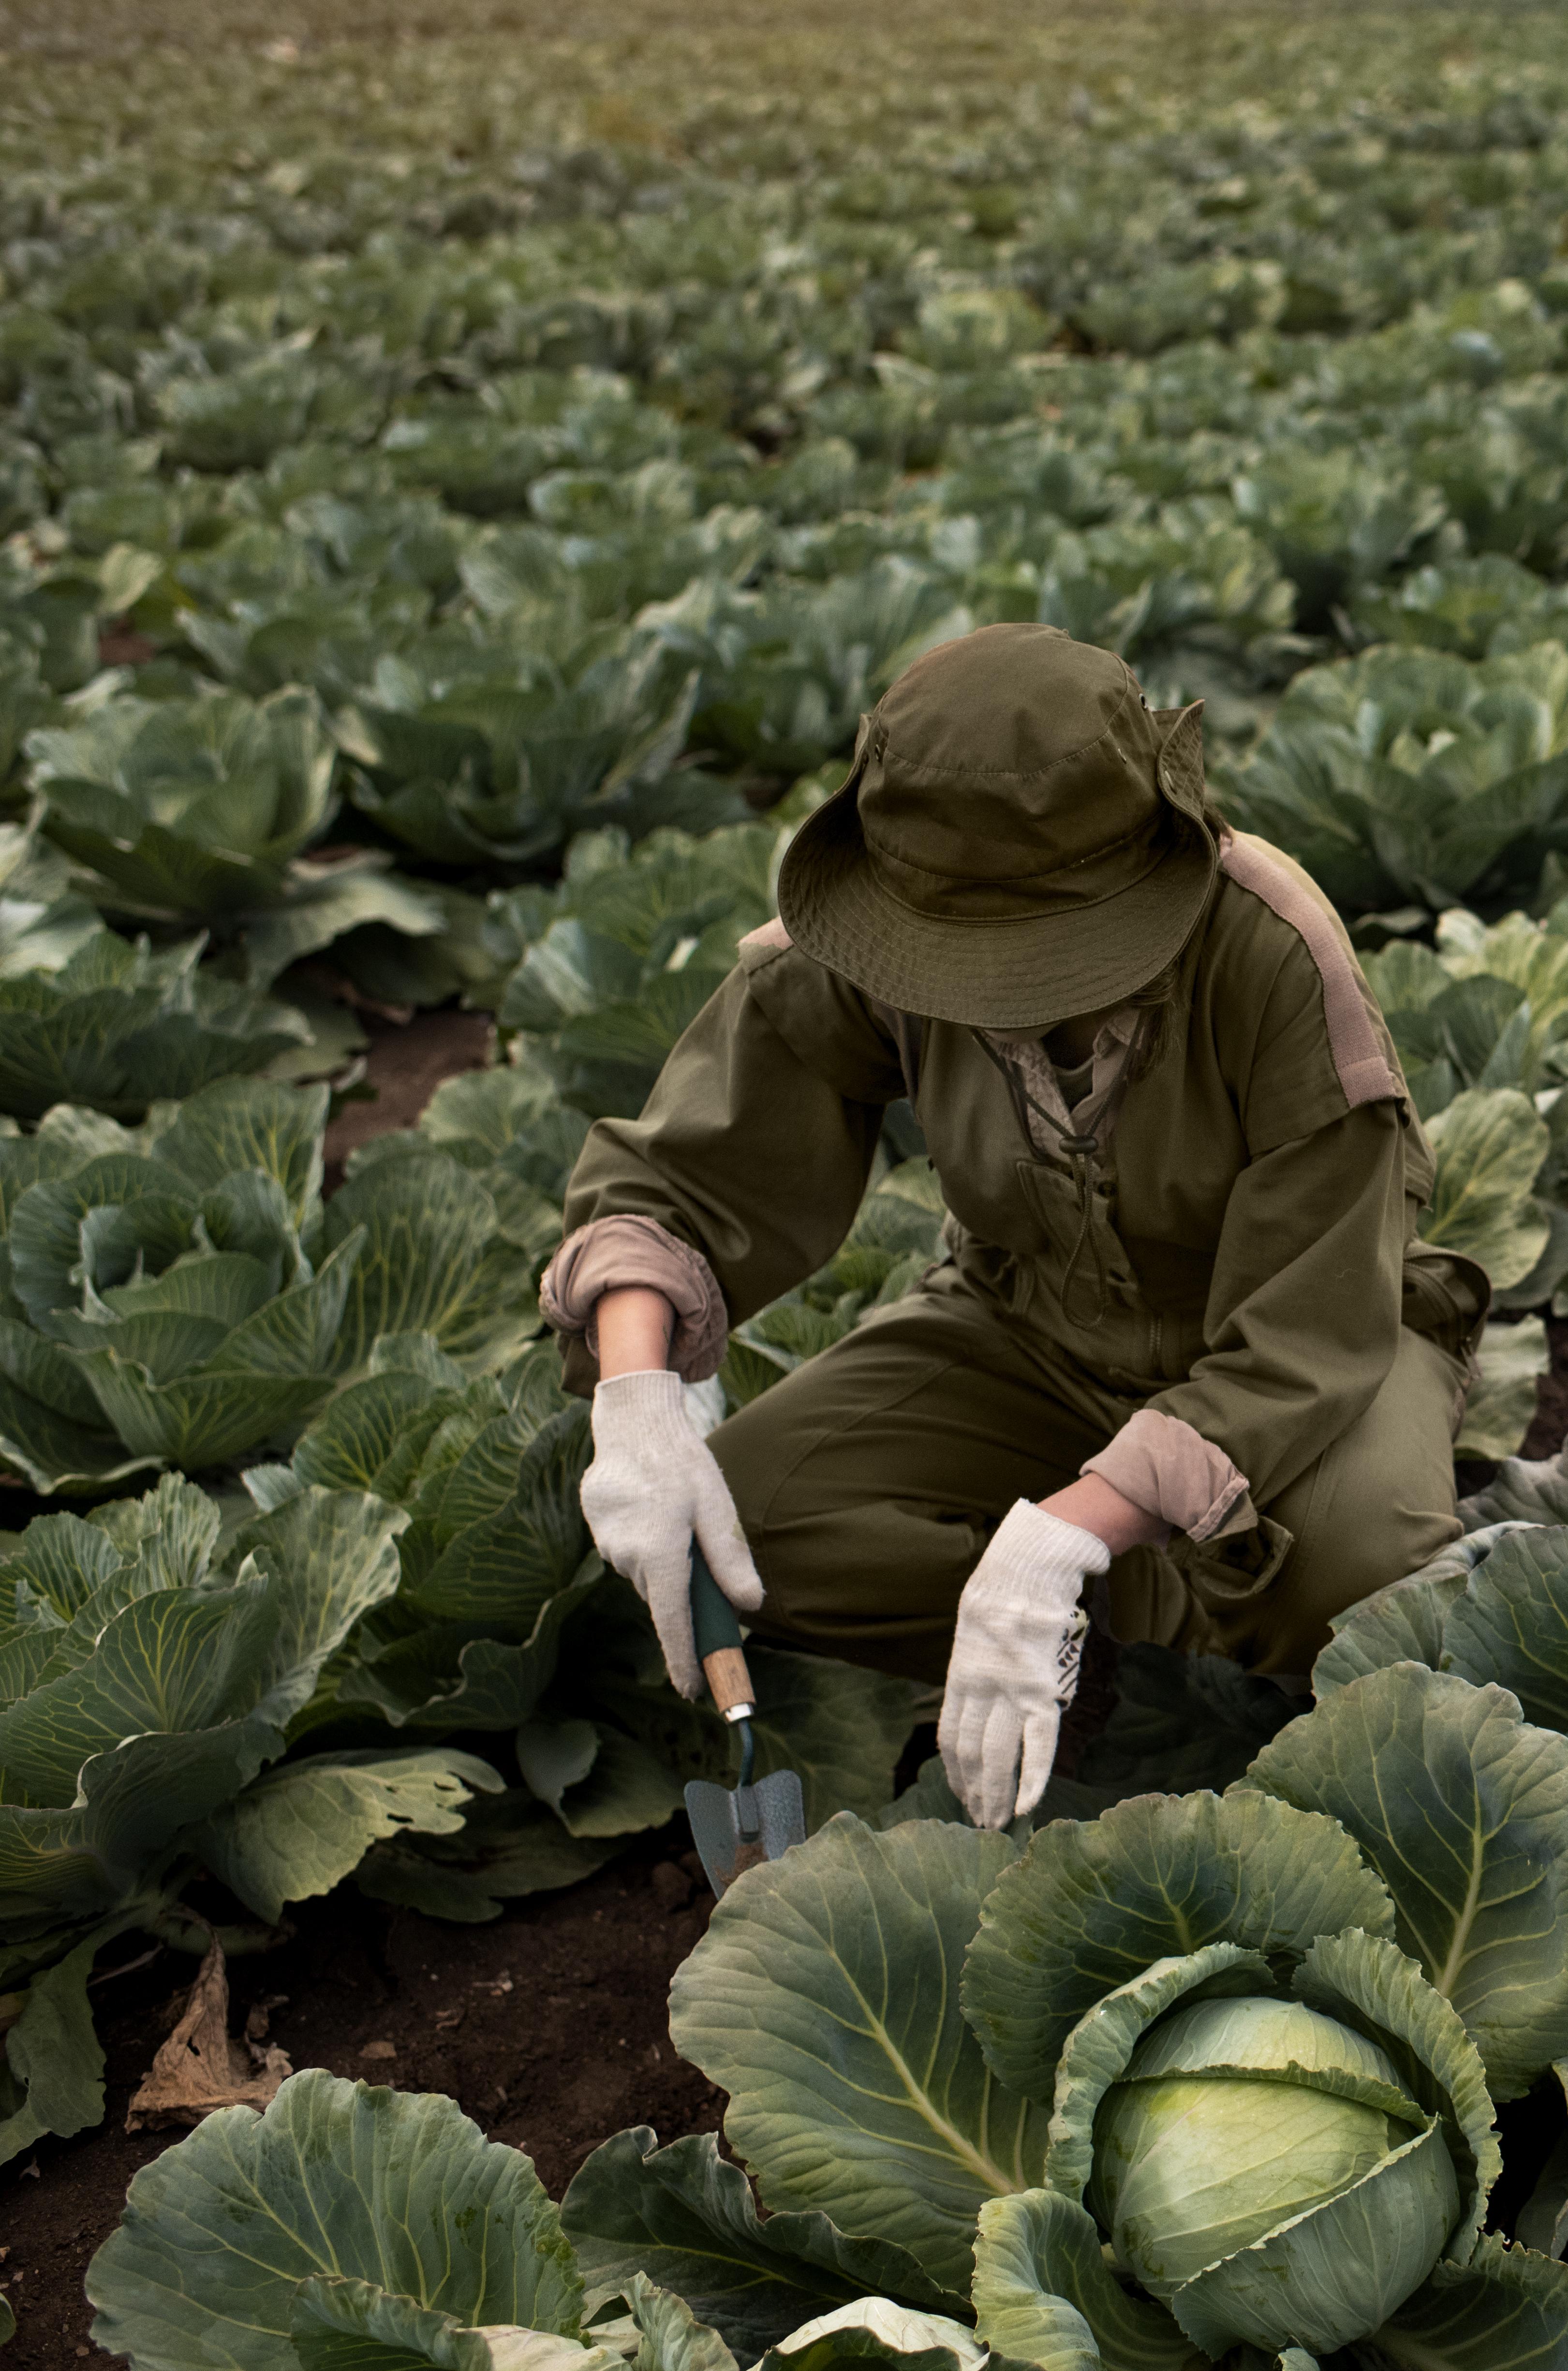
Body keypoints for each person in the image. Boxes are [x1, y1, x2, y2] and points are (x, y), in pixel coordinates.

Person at [541, 623, 1483, 1829]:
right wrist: (637, 1400)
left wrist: (1063, 1534)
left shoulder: (1273, 954)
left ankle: (1122, 1585)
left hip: (1289, 1363)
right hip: (1025, 1330)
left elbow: (1306, 1335)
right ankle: (1095, 1635)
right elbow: (681, 1171)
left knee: (1370, 1584)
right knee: (747, 1521)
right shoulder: (877, 924)